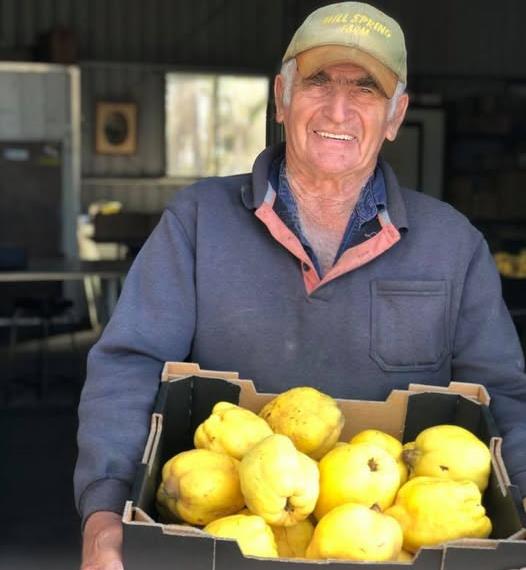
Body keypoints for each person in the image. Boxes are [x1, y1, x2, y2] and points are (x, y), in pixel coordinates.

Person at [76, 2, 526, 569]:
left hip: (391, 550)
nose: (338, 108)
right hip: (216, 543)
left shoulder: (453, 245)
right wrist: (104, 518)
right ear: (282, 98)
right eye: (318, 81)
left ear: (395, 116)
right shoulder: (198, 221)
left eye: (365, 89)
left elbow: (505, 397)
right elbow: (128, 366)